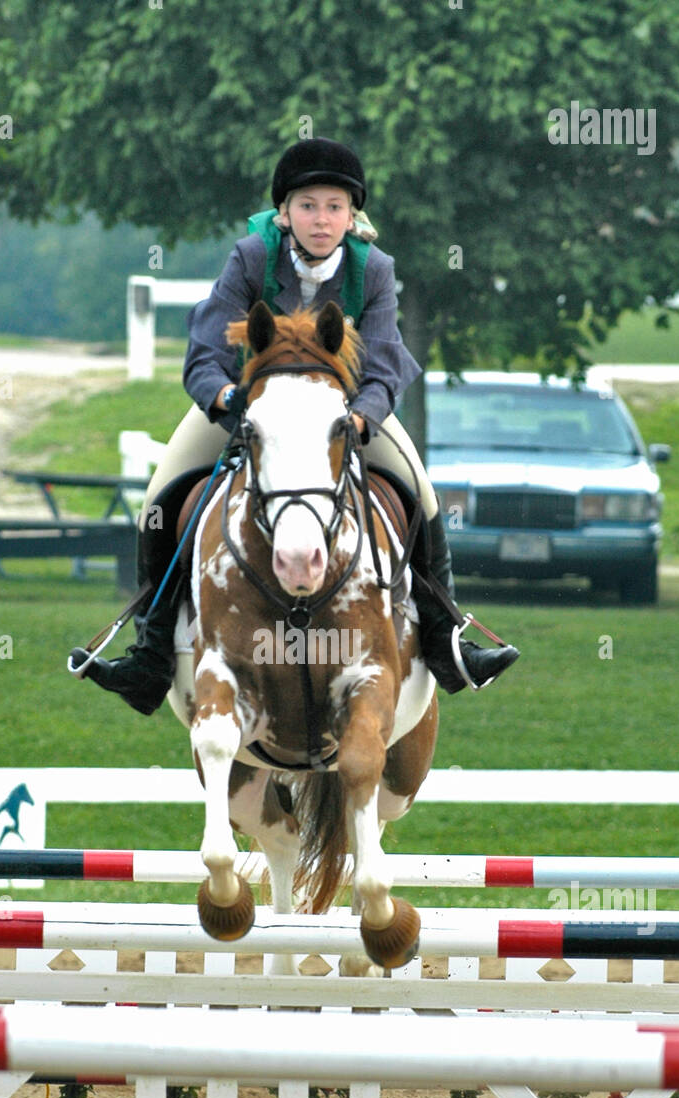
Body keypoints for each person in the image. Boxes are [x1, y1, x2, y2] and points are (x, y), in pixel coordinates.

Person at [71, 138, 519, 714]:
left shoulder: (374, 270)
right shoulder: (251, 258)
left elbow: (384, 362)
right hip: (248, 407)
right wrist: (226, 396)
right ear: (284, 213)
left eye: (335, 206)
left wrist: (363, 416)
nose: (321, 219)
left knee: (421, 494)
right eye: (308, 205)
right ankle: (150, 654)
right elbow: (204, 351)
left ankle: (446, 641)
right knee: (161, 496)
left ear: (352, 215)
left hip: (343, 413)